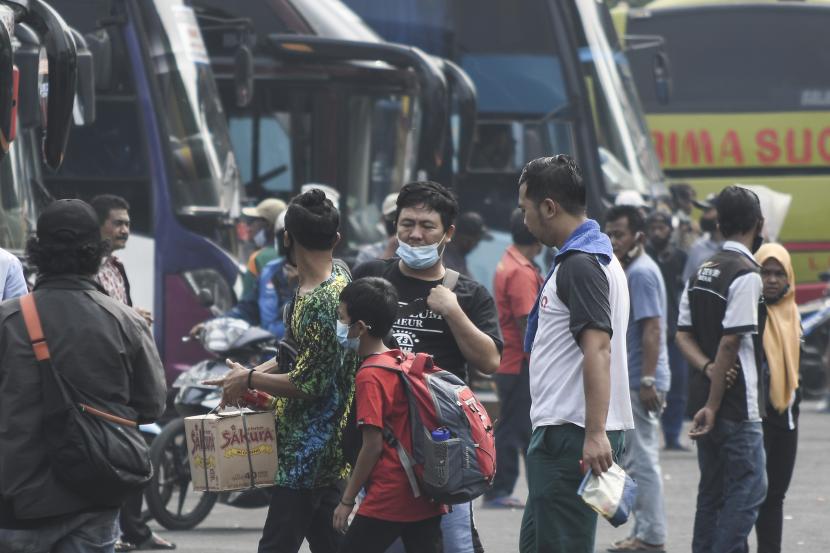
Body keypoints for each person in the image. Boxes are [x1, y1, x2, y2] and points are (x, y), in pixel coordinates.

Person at [0, 199, 167, 552]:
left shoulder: (8, 321)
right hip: (95, 497)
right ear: (97, 253)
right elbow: (152, 406)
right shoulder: (126, 322)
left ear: (37, 251)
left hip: (16, 500)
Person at [205, 189, 359, 553]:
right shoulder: (331, 277)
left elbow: (311, 383)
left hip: (308, 452)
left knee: (276, 545)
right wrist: (248, 374)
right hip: (322, 447)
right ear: (336, 239)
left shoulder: (322, 300)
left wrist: (250, 378)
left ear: (286, 238)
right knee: (330, 541)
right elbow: (299, 357)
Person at [353, 181, 502, 553]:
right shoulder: (372, 277)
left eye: (427, 226)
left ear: (448, 233)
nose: (415, 234)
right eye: (407, 224)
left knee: (453, 546)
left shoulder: (467, 294)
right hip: (379, 451)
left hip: (442, 454)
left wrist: (453, 311)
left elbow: (490, 362)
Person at [516, 155, 633, 553]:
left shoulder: (581, 265)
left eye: (525, 209)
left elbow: (597, 349)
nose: (524, 220)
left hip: (572, 433)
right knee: (537, 543)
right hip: (564, 431)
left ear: (549, 207)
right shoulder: (590, 258)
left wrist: (595, 432)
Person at [675, 185, 767, 553]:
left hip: (706, 399)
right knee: (749, 488)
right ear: (757, 224)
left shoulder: (702, 270)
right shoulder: (745, 273)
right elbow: (732, 341)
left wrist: (708, 368)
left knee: (712, 492)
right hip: (734, 407)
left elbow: (682, 335)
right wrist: (714, 402)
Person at [333, 277, 446, 552]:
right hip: (424, 490)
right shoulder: (404, 360)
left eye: (341, 317)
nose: (338, 325)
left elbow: (371, 446)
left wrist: (347, 500)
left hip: (390, 494)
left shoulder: (371, 375)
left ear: (359, 328)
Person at [89, 195, 173, 551]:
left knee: (132, 456)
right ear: (98, 226)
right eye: (117, 223)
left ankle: (133, 531)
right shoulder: (87, 269)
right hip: (99, 379)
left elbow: (117, 312)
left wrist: (133, 315)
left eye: (127, 223)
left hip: (124, 377)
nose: (125, 229)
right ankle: (119, 533)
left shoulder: (117, 267)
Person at [604, 205, 670, 553]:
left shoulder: (641, 273)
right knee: (636, 460)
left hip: (640, 380)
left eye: (620, 234)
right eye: (609, 233)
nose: (613, 241)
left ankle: (651, 537)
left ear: (638, 237)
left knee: (642, 461)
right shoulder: (632, 268)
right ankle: (644, 532)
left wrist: (646, 380)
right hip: (636, 378)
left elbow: (653, 328)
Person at [482, 209, 542, 509]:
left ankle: (504, 487)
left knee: (514, 427)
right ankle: (500, 489)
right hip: (520, 361)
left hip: (512, 361)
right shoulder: (520, 271)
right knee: (513, 429)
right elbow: (526, 321)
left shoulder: (511, 261)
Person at [754, 244, 801, 553]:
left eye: (778, 273)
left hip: (786, 418)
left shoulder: (793, 313)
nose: (771, 280)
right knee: (749, 495)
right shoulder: (748, 312)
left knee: (776, 495)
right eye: (765, 272)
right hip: (754, 420)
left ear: (788, 278)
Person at [645, 211, 690, 450]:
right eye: (653, 226)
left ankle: (672, 436)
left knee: (678, 385)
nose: (657, 231)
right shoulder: (644, 257)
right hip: (650, 331)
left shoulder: (680, 257)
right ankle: (652, 434)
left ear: (669, 231)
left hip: (674, 331)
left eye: (661, 227)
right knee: (650, 384)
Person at [682, 195, 724, 282]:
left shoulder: (733, 246)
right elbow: (687, 281)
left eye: (708, 210)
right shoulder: (698, 247)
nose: (703, 215)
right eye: (704, 211)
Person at [443, 211, 492, 278]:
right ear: (466, 240)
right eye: (476, 241)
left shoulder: (458, 257)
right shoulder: (447, 262)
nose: (476, 246)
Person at [355, 193, 400, 266]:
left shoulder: (418, 253)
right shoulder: (368, 254)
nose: (397, 221)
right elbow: (362, 276)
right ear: (382, 220)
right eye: (393, 216)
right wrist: (390, 251)